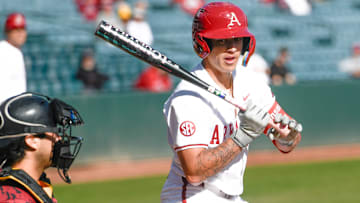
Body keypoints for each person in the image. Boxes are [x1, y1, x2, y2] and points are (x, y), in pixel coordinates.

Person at [160, 2, 302, 203]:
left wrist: (288, 137)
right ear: (203, 43)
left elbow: (285, 138)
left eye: (237, 39)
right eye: (221, 40)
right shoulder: (187, 98)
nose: (232, 48)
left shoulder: (249, 81)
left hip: (232, 197)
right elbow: (194, 172)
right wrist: (242, 136)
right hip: (193, 196)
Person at [0, 92, 84, 202]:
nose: (59, 139)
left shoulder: (33, 184)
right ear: (32, 140)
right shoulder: (14, 198)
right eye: (54, 132)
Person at [0, 13, 27, 103]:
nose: (20, 33)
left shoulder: (16, 52)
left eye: (22, 29)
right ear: (7, 31)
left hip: (14, 109)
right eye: (16, 29)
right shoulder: (3, 51)